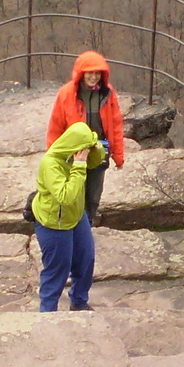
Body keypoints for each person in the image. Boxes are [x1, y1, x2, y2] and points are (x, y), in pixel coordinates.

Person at [32, 121, 106, 312]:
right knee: (57, 270)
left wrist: (94, 148)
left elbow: (97, 162)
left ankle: (79, 302)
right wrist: (80, 166)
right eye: (84, 148)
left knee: (85, 259)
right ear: (75, 148)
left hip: (75, 216)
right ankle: (47, 313)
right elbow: (66, 196)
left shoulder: (75, 155)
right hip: (54, 223)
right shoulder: (50, 164)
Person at [46, 50, 126, 225]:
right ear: (81, 73)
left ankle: (86, 226)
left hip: (99, 150)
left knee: (93, 195)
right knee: (74, 192)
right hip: (75, 152)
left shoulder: (108, 93)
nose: (94, 77)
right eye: (90, 72)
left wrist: (118, 155)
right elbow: (56, 125)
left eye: (98, 73)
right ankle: (74, 227)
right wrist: (53, 155)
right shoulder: (67, 94)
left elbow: (116, 124)